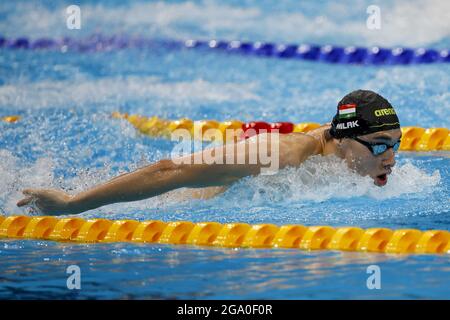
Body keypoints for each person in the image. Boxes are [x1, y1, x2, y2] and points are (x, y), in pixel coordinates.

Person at [17, 89, 402, 216]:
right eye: (382, 146)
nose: (391, 158)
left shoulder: (348, 153)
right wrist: (70, 204)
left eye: (396, 144)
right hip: (170, 207)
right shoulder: (281, 155)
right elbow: (171, 170)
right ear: (347, 139)